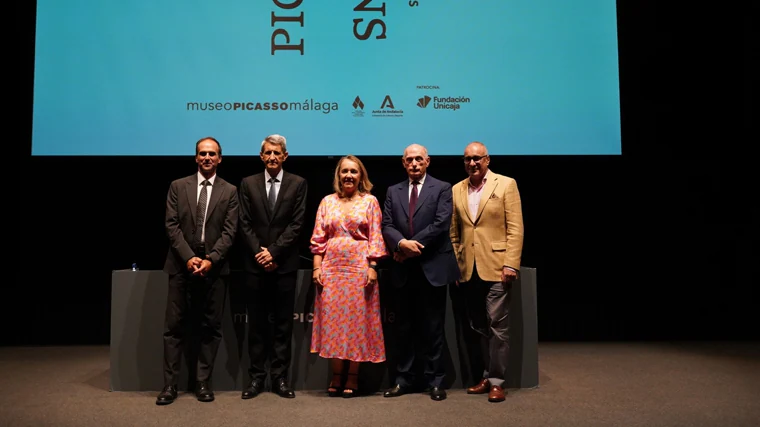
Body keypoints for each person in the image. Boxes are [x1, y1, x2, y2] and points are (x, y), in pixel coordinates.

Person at [157, 136, 239, 405]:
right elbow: (171, 226)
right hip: (181, 266)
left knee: (210, 328)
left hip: (214, 269)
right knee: (174, 328)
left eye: (212, 154)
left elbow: (230, 232)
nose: (207, 157)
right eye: (202, 153)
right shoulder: (177, 187)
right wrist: (190, 257)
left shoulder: (230, 191)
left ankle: (202, 383)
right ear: (195, 157)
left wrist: (210, 259)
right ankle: (170, 386)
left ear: (220, 159)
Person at [380, 144, 460, 401]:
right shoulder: (394, 190)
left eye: (418, 159)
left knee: (433, 329)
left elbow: (441, 223)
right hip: (403, 269)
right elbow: (387, 224)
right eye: (409, 160)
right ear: (403, 163)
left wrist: (411, 246)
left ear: (428, 162)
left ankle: (435, 381)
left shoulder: (443, 188)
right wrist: (401, 244)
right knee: (403, 328)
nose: (414, 163)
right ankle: (404, 380)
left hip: (432, 268)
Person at [449, 141, 524, 403]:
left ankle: (497, 381)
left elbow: (515, 227)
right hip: (468, 269)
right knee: (478, 326)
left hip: (497, 266)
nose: (473, 163)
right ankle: (485, 375)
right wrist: (457, 265)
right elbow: (454, 232)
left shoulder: (506, 184)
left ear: (487, 160)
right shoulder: (457, 189)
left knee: (497, 325)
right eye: (468, 159)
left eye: (478, 158)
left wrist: (511, 263)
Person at [309, 155, 389, 397]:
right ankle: (336, 374)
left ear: (361, 176)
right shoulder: (327, 201)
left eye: (354, 171)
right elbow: (318, 238)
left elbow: (375, 235)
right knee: (333, 322)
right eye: (344, 171)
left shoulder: (370, 201)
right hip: (332, 269)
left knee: (356, 323)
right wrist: (316, 267)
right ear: (338, 175)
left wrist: (373, 266)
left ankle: (352, 376)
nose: (349, 175)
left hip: (359, 268)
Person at [237, 134, 307, 399]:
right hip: (255, 266)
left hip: (284, 265)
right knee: (255, 326)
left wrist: (274, 252)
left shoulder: (298, 183)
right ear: (261, 156)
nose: (272, 157)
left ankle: (279, 378)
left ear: (285, 156)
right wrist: (260, 253)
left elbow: (297, 224)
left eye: (277, 153)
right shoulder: (247, 183)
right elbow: (243, 222)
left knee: (282, 326)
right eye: (267, 153)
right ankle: (256, 378)